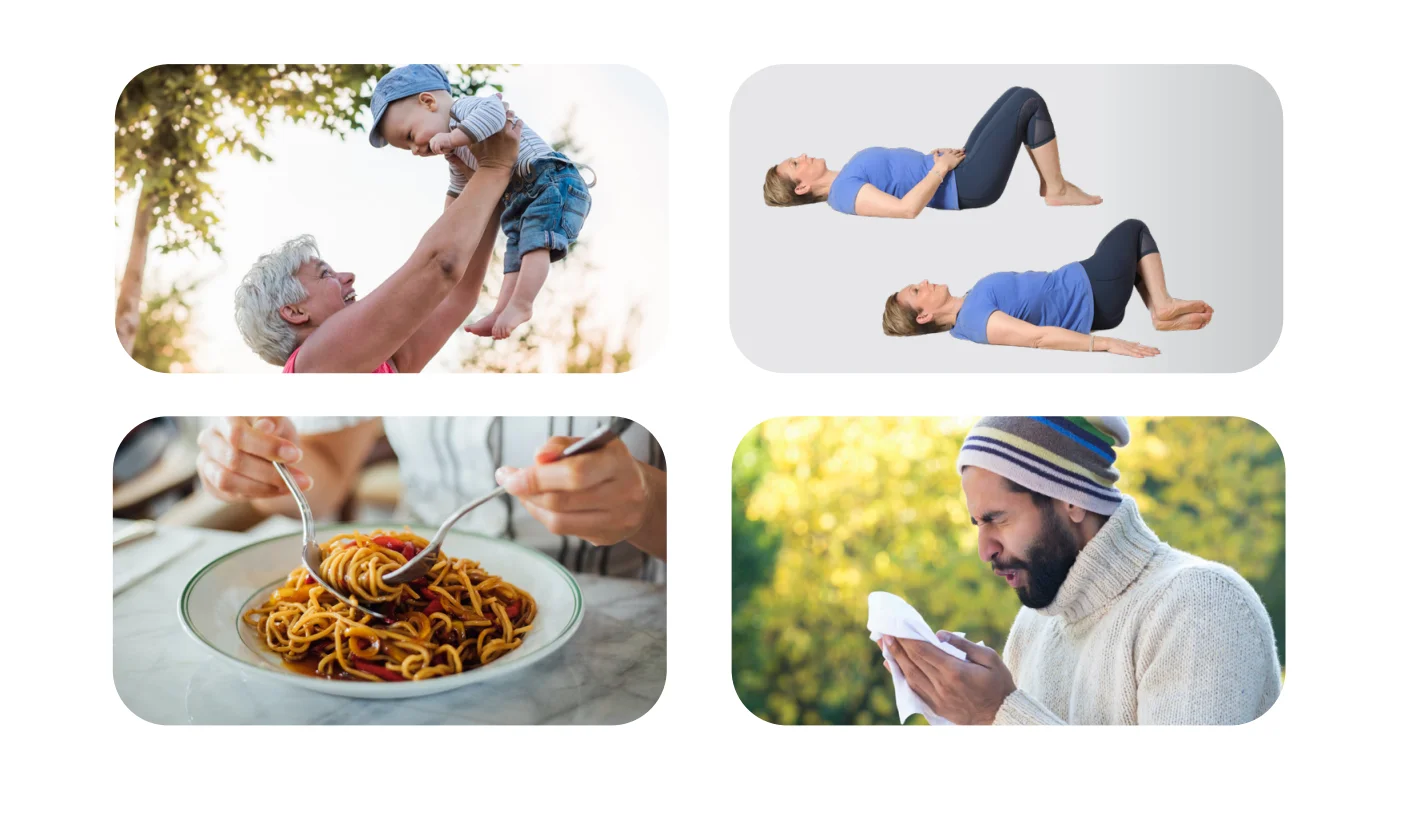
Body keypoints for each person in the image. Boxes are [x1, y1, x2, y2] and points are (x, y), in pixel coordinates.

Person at [879, 416, 1282, 725]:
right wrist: (954, 710)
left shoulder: (1199, 606)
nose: (985, 550)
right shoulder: (1032, 627)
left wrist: (997, 714)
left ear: (1072, 499)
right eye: (977, 524)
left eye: (997, 519)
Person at [233, 102, 522, 372]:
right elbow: (439, 266)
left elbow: (455, 294)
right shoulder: (313, 363)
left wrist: (472, 181)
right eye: (325, 275)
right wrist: (494, 170)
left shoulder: (378, 362)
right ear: (294, 312)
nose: (348, 276)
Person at [194, 417, 666, 572]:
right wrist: (262, 463)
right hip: (407, 560)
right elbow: (329, 466)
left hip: (617, 606)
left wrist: (648, 505)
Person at [370, 64, 593, 340]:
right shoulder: (457, 153)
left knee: (536, 243)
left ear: (428, 102)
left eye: (410, 137)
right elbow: (460, 190)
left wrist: (454, 136)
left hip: (551, 178)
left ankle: (522, 304)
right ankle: (502, 309)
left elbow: (495, 113)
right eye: (408, 149)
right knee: (515, 253)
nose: (415, 150)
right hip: (523, 195)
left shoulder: (464, 109)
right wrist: (445, 224)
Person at [883, 219, 1213, 356]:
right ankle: (1163, 306)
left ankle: (1160, 310)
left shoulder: (963, 320)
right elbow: (1037, 338)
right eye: (916, 291)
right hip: (1093, 290)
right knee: (1133, 230)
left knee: (1133, 255)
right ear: (924, 315)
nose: (923, 282)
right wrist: (1107, 344)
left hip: (1087, 282)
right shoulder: (976, 321)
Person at [763, 87, 1099, 218]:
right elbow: (906, 209)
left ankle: (1053, 186)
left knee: (1017, 94)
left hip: (954, 171)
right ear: (802, 187)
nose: (802, 155)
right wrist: (939, 170)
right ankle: (1055, 189)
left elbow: (898, 177)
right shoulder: (843, 194)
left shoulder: (846, 176)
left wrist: (932, 160)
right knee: (1028, 103)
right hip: (966, 184)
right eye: (796, 163)